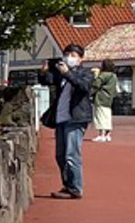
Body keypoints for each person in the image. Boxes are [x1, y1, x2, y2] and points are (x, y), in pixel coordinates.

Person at [41, 43, 93, 197]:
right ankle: (68, 185)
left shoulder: (86, 73)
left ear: (80, 59)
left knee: (72, 154)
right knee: (60, 155)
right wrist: (44, 71)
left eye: (73, 55)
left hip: (76, 118)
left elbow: (83, 86)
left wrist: (67, 73)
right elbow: (47, 81)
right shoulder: (60, 73)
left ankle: (76, 188)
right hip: (61, 118)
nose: (69, 58)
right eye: (67, 54)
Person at [91, 63, 117, 142]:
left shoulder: (103, 75)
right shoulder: (114, 76)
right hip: (109, 99)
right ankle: (108, 134)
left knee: (100, 116)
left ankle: (101, 135)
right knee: (107, 117)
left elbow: (96, 84)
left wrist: (95, 75)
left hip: (100, 98)